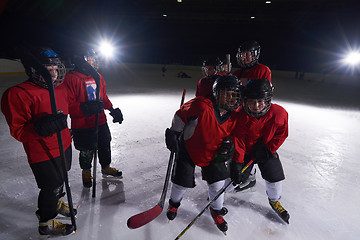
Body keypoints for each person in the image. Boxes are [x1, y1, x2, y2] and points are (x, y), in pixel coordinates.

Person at [1, 46, 76, 236]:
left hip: (64, 143)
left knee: (61, 179)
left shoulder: (61, 88)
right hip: (42, 151)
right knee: (50, 186)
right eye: (48, 70)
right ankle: (46, 221)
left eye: (56, 69)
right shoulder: (18, 93)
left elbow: (72, 106)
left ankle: (56, 202)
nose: (53, 74)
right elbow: (18, 131)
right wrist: (40, 127)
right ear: (34, 70)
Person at [165, 75, 242, 233]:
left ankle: (216, 210)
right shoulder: (201, 105)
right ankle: (174, 203)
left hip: (214, 152)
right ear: (216, 93)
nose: (231, 98)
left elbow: (235, 137)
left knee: (217, 184)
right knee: (181, 181)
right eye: (226, 93)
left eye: (234, 94)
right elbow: (180, 115)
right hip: (189, 148)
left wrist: (230, 148)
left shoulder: (235, 116)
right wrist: (173, 133)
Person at [231, 78, 290, 224]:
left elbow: (282, 133)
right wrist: (238, 161)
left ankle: (274, 200)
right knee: (235, 176)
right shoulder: (240, 115)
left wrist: (269, 148)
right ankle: (218, 195)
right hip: (245, 152)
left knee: (274, 175)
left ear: (268, 100)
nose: (256, 106)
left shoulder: (279, 113)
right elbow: (237, 139)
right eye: (251, 102)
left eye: (260, 101)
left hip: (265, 151)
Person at [64, 48, 123, 188]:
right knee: (86, 149)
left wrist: (112, 109)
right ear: (81, 60)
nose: (93, 61)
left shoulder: (98, 76)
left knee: (105, 143)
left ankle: (106, 167)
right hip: (82, 124)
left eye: (94, 58)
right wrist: (85, 108)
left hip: (100, 120)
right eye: (90, 58)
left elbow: (103, 97)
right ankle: (86, 172)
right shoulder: (71, 78)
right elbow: (68, 104)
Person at [232, 40, 272, 191]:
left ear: (255, 55)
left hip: (254, 113)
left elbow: (264, 93)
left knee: (251, 146)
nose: (245, 57)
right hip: (239, 113)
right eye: (242, 54)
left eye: (248, 54)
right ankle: (238, 166)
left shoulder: (263, 70)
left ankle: (250, 176)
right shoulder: (237, 73)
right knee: (237, 142)